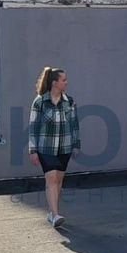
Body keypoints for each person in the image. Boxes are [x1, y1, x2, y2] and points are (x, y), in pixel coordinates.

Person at [27, 67, 80, 228]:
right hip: (46, 148)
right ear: (54, 83)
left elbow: (74, 125)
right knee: (51, 178)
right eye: (63, 80)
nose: (66, 82)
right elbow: (33, 127)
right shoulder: (40, 102)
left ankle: (52, 212)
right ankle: (56, 215)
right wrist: (33, 150)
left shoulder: (69, 101)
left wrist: (76, 145)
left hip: (65, 147)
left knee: (58, 180)